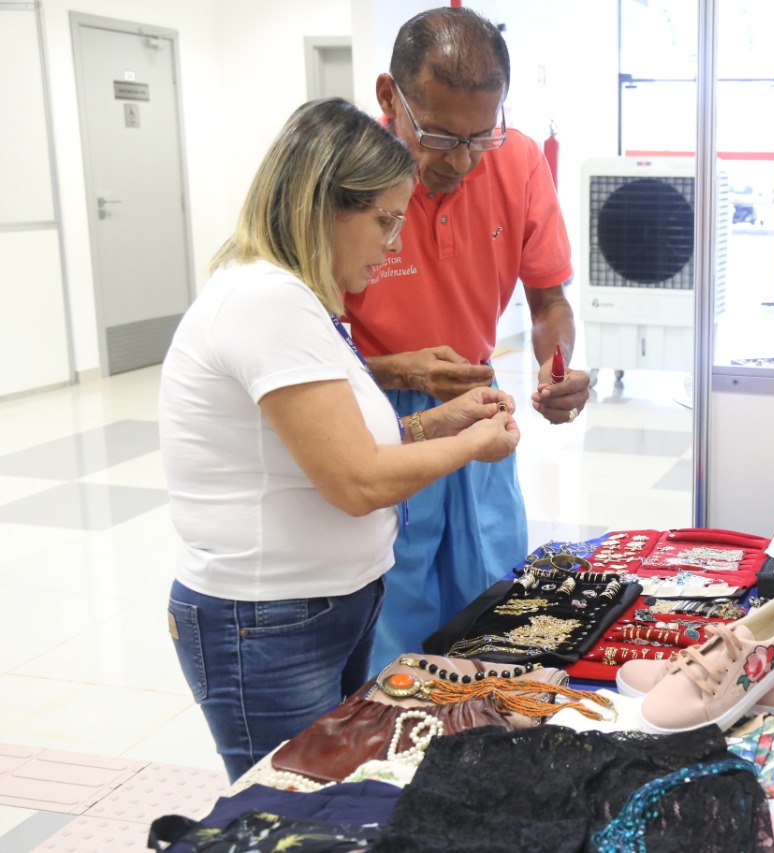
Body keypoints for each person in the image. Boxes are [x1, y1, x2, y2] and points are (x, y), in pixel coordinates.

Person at [159, 98, 520, 780]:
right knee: (291, 808)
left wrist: (432, 422)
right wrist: (473, 446)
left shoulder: (296, 301)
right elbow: (355, 482)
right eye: (384, 221)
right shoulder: (267, 302)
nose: (391, 244)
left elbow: (325, 446)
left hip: (313, 610)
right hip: (267, 624)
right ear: (322, 206)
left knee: (329, 800)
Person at [342, 7, 590, 668]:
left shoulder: (518, 161)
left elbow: (550, 299)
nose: (463, 161)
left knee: (494, 614)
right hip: (375, 422)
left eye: (482, 135)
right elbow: (306, 347)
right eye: (441, 136)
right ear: (389, 98)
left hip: (478, 419)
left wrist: (557, 364)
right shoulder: (342, 180)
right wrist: (399, 371)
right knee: (394, 632)